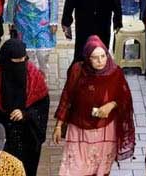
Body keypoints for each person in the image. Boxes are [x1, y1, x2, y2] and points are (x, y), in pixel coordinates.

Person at [53, 36, 135, 176]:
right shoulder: (77, 70)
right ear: (87, 58)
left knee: (100, 169)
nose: (100, 61)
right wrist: (59, 125)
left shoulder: (115, 73)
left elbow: (125, 97)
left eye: (103, 56)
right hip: (79, 128)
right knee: (75, 168)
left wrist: (112, 104)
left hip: (104, 128)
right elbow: (67, 97)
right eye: (95, 57)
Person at [0, 39, 50, 176]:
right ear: (6, 60)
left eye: (23, 60)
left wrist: (26, 114)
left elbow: (42, 105)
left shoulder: (34, 76)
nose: (20, 65)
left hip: (28, 135)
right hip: (3, 134)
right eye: (15, 61)